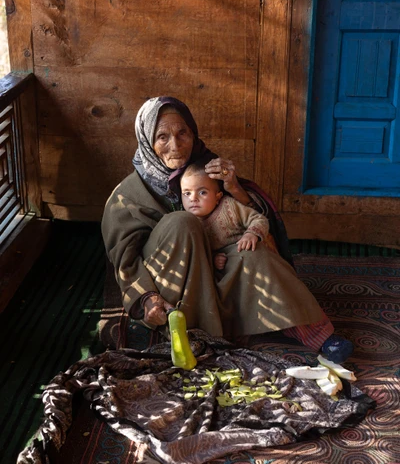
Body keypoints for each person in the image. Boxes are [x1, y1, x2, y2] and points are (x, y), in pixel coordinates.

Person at [101, 96, 353, 362]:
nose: (175, 145)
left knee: (253, 251)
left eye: (182, 133)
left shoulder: (207, 169)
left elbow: (253, 216)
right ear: (146, 141)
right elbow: (124, 261)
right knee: (182, 221)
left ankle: (313, 332)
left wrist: (233, 187)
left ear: (193, 133)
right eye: (162, 136)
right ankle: (198, 332)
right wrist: (147, 298)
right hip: (173, 285)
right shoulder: (127, 196)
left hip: (218, 264)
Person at [180, 158, 272, 270]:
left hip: (247, 256)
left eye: (202, 192)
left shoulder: (229, 206)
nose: (193, 198)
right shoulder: (187, 224)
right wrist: (214, 258)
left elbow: (260, 219)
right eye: (187, 193)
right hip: (226, 268)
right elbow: (198, 253)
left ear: (217, 197)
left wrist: (251, 234)